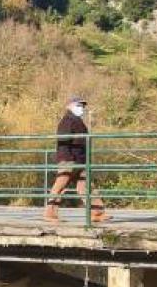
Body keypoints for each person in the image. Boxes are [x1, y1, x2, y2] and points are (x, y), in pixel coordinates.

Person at [44, 95, 109, 223]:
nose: (81, 108)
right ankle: (49, 214)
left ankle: (97, 213)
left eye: (82, 106)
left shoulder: (77, 120)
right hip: (69, 159)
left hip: (80, 160)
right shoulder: (67, 120)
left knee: (87, 187)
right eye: (78, 105)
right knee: (60, 187)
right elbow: (63, 139)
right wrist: (69, 159)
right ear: (69, 106)